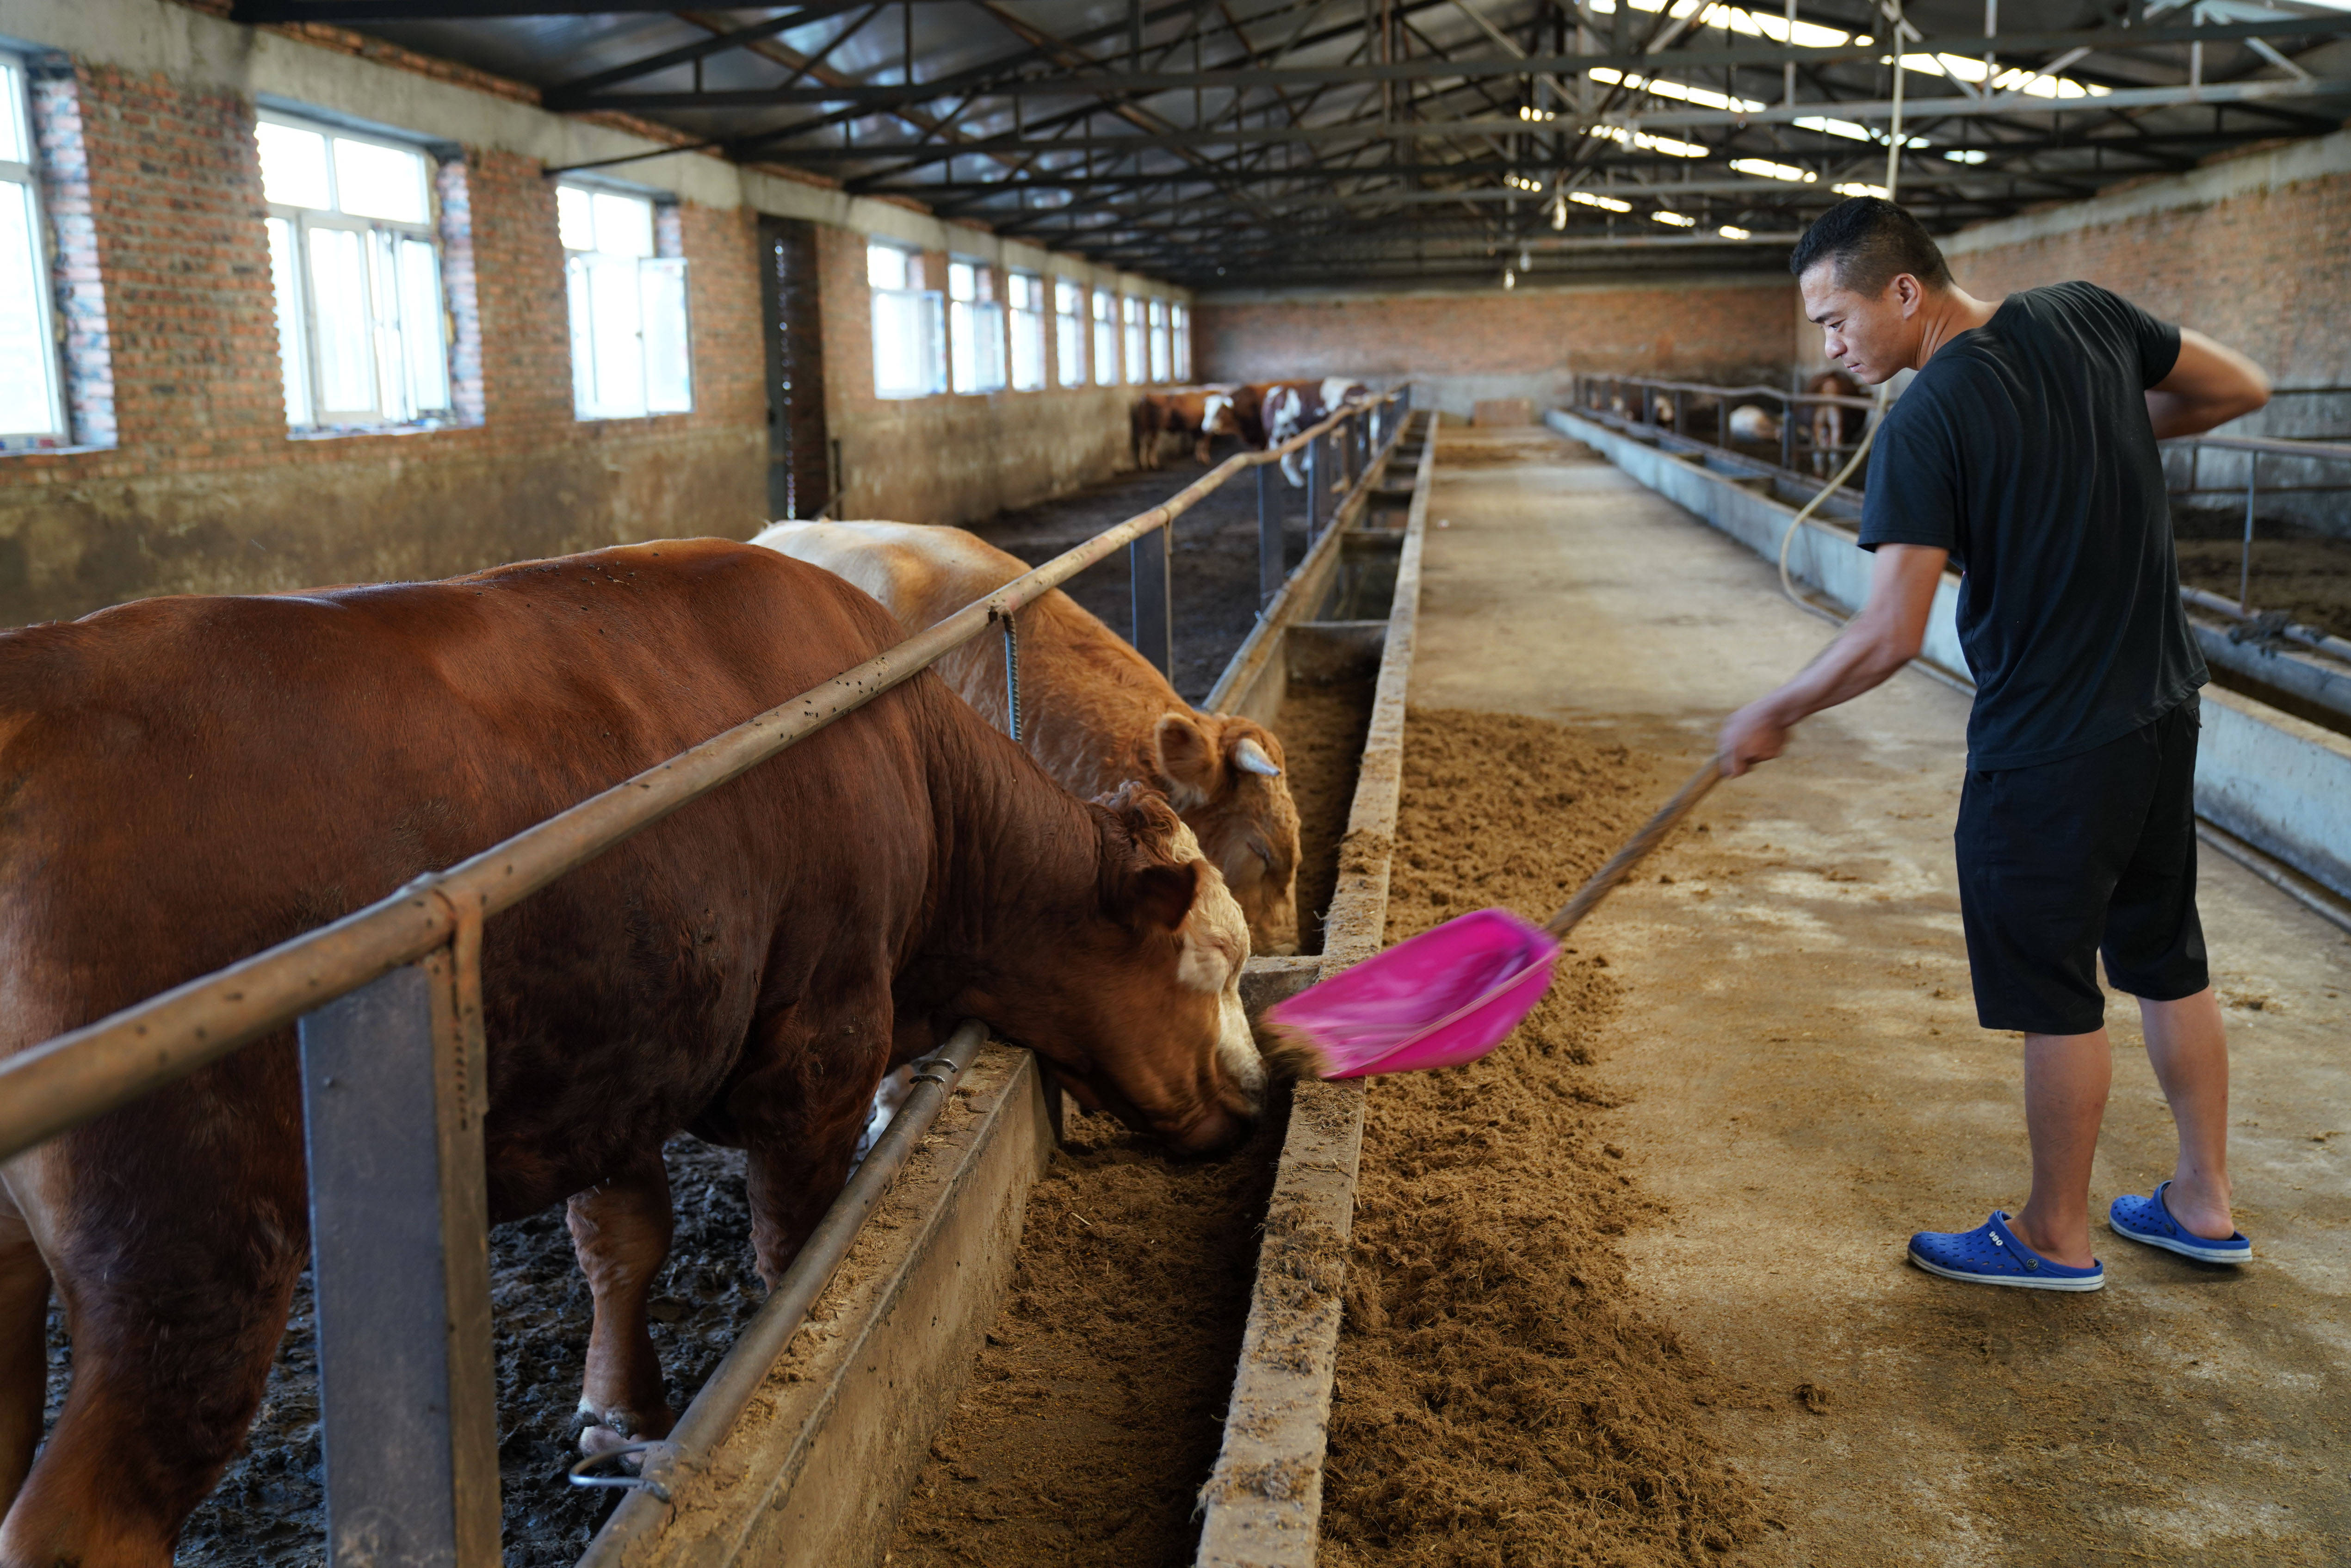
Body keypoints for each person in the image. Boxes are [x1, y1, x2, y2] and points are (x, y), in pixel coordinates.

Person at [1718, 197, 2271, 1291]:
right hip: (2164, 708)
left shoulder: (1927, 424)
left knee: (2055, 991)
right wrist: (2097, 429)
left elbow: (1886, 635)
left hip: (2048, 746)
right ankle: (2203, 1203)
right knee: (2168, 958)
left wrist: (1776, 709)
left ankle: (2054, 1235)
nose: (1831, 347)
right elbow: (2239, 387)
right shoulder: (2086, 315)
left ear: (1906, 293)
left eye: (1836, 321)